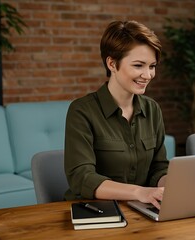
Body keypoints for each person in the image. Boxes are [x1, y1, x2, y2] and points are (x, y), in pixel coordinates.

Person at [64, 20, 168, 209]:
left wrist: (170, 186)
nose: (148, 75)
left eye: (152, 66)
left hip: (144, 210)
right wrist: (139, 192)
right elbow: (82, 177)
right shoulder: (81, 111)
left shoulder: (152, 109)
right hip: (95, 212)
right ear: (112, 63)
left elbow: (159, 168)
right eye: (138, 65)